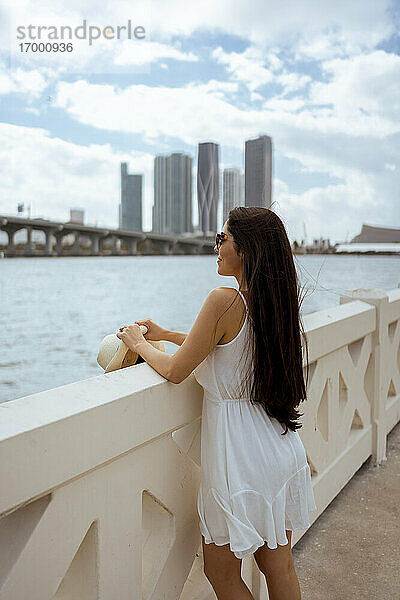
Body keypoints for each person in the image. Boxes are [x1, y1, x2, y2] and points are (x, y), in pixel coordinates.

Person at [117, 206, 317, 600]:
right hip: (276, 447)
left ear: (246, 248)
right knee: (279, 566)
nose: (216, 247)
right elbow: (224, 347)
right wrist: (169, 332)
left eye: (221, 239)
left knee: (220, 572)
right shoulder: (273, 305)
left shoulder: (222, 300)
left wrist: (139, 343)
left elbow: (176, 370)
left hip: (238, 459)